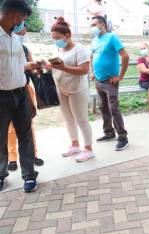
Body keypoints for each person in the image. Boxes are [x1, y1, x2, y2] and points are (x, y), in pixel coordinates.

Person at [0, 0, 40, 192]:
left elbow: (22, 66)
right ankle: (1, 175)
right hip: (1, 97)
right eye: (22, 20)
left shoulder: (15, 39)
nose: (22, 24)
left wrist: (37, 64)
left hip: (21, 94)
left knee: (26, 136)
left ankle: (29, 175)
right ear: (15, 16)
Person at [43, 17, 95, 162]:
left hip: (77, 89)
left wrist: (63, 67)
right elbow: (59, 66)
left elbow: (84, 70)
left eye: (57, 37)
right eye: (53, 38)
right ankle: (74, 144)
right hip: (62, 88)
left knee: (81, 120)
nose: (55, 40)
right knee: (68, 119)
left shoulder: (80, 49)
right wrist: (49, 66)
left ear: (67, 35)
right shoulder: (59, 48)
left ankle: (88, 149)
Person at [8, 23, 44, 171]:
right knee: (9, 128)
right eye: (19, 30)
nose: (21, 34)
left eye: (23, 31)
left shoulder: (25, 49)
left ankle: (32, 155)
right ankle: (12, 158)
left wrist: (38, 70)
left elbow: (31, 69)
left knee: (28, 125)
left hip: (25, 88)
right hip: (7, 91)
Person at [90, 16, 130, 151]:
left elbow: (125, 56)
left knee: (114, 109)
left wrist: (121, 76)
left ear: (102, 25)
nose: (92, 27)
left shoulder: (112, 38)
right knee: (103, 108)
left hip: (110, 81)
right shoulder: (94, 40)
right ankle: (109, 133)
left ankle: (123, 137)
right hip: (98, 80)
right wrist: (92, 72)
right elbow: (91, 57)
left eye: (94, 24)